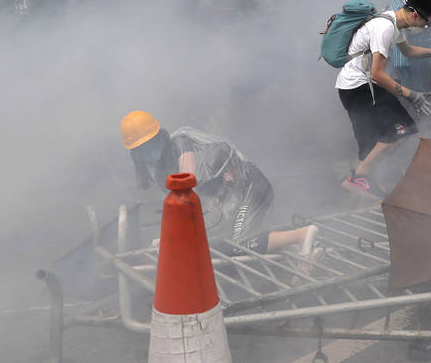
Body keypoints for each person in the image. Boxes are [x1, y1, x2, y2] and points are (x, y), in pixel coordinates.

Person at [119, 110, 320, 257]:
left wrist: (173, 238)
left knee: (238, 244)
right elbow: (181, 208)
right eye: (141, 149)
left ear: (160, 135)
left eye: (151, 143)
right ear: (135, 154)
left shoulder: (180, 142)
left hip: (250, 189)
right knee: (220, 243)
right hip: (229, 201)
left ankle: (301, 235)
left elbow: (186, 188)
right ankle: (304, 251)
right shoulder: (161, 173)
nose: (148, 152)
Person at [337, 0, 431, 198]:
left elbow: (409, 51)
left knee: (371, 142)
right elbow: (377, 74)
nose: (426, 26)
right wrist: (413, 96)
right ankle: (360, 177)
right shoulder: (385, 28)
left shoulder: (392, 23)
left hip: (355, 86)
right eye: (428, 22)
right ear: (415, 14)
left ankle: (359, 183)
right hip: (361, 87)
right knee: (401, 130)